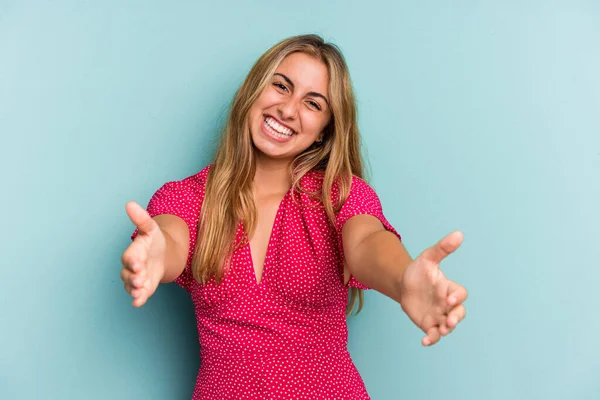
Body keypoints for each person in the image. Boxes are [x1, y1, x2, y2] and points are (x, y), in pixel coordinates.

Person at [120, 34, 468, 400]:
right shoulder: (187, 197)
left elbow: (367, 242)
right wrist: (154, 255)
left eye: (313, 104)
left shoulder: (340, 196)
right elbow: (169, 241)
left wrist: (403, 279)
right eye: (281, 86)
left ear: (324, 132)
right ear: (254, 91)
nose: (288, 110)